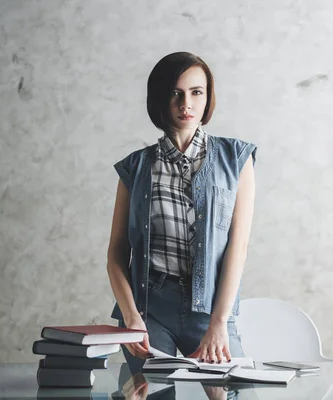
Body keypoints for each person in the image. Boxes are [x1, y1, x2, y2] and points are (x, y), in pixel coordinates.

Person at [106, 51, 257, 375]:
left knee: (232, 392)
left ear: (207, 97)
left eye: (196, 92)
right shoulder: (135, 167)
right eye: (176, 93)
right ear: (160, 98)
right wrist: (131, 316)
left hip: (211, 310)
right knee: (152, 394)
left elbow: (238, 247)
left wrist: (219, 322)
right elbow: (118, 251)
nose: (186, 103)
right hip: (149, 309)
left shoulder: (235, 159)